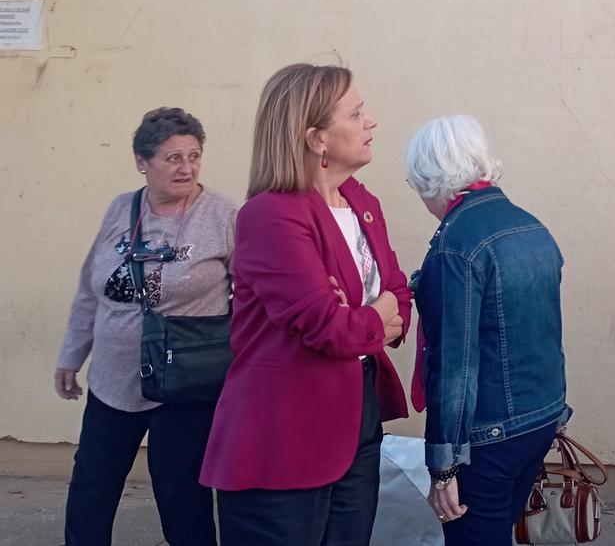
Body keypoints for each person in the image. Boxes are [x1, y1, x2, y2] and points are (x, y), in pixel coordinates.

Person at [200, 64, 412, 546]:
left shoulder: (361, 202)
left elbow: (400, 297)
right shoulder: (271, 214)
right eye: (356, 113)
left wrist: (365, 313)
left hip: (358, 415)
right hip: (285, 435)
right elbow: (328, 329)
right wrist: (372, 313)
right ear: (316, 137)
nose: (371, 121)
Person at [55, 107, 236, 546]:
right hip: (113, 381)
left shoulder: (223, 216)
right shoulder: (122, 208)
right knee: (91, 490)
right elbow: (89, 287)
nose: (187, 167)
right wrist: (71, 354)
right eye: (173, 157)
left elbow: (254, 294)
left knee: (182, 498)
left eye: (194, 155)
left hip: (186, 384)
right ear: (142, 161)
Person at [404, 114, 569, 546]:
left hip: (488, 438)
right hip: (539, 419)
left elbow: (455, 367)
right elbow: (548, 334)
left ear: (428, 178)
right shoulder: (531, 226)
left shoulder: (456, 245)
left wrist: (443, 469)